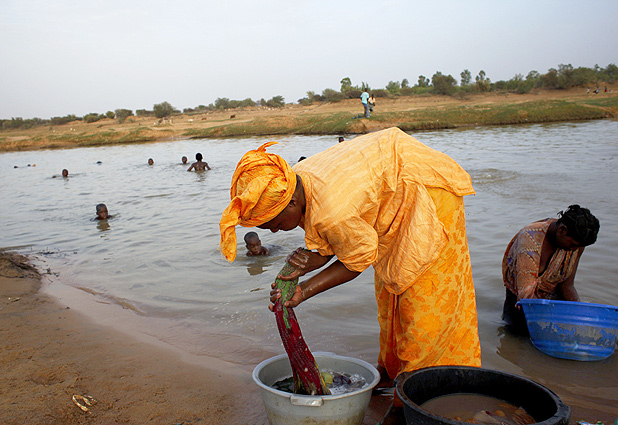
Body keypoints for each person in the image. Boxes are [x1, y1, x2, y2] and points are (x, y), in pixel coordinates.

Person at [219, 127, 481, 389]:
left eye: (275, 224)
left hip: (425, 189)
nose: (275, 231)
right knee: (391, 290)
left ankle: (424, 389)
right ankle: (392, 372)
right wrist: (314, 260)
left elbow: (357, 260)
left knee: (425, 303)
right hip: (391, 183)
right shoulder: (295, 181)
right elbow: (341, 231)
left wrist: (304, 290)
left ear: (291, 203)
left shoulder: (333, 211)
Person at [502, 205, 600, 334]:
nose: (573, 250)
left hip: (551, 303)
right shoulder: (530, 238)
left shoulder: (576, 243)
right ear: (562, 230)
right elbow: (525, 295)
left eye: (579, 247)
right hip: (520, 303)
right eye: (573, 245)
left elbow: (567, 285)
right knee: (518, 340)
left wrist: (578, 316)